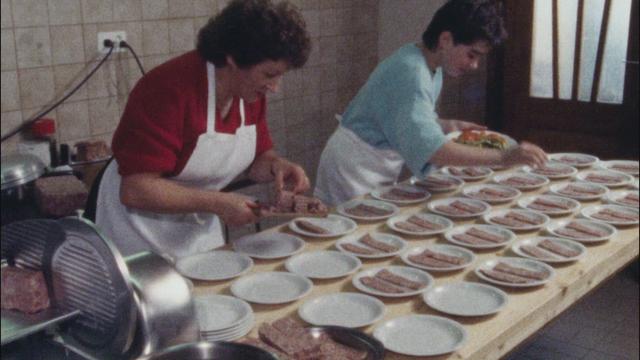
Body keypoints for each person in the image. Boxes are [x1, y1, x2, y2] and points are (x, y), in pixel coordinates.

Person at [91, 0, 311, 259]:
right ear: (233, 58)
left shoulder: (248, 93)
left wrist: (277, 166)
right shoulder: (168, 89)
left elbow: (258, 160)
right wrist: (217, 203)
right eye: (269, 75)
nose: (275, 87)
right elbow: (136, 189)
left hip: (196, 231)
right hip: (138, 237)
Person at [314, 0, 548, 206]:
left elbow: (402, 115)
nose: (474, 65)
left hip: (371, 164)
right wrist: (505, 157)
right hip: (353, 170)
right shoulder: (411, 72)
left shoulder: (425, 63)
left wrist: (446, 125)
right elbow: (435, 150)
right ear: (446, 39)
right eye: (471, 54)